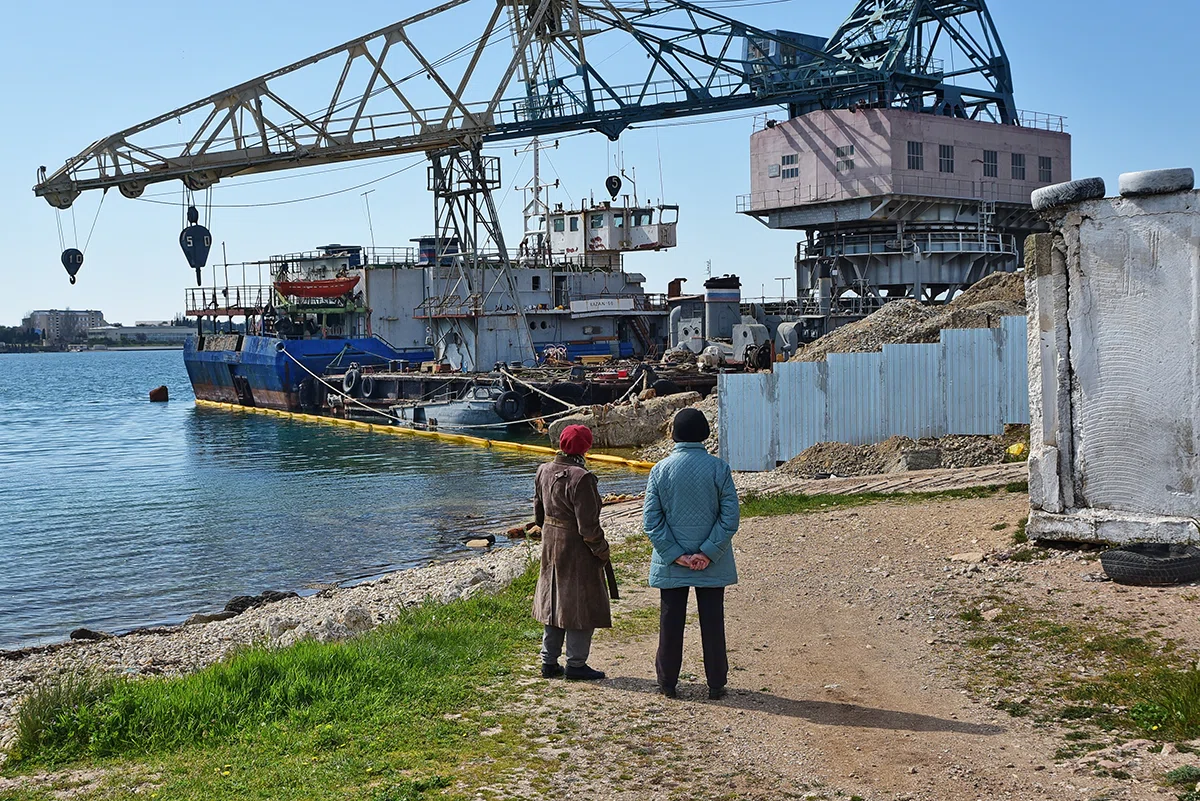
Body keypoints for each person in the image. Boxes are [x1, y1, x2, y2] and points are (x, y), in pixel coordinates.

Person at [642, 407, 739, 700]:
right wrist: (708, 553)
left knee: (670, 620)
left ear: (674, 435)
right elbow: (730, 517)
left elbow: (651, 521)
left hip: (673, 561)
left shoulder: (659, 470)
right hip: (713, 559)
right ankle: (716, 683)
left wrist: (677, 555)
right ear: (705, 435)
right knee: (713, 621)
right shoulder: (719, 468)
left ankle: (668, 682)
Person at [532, 424, 612, 681]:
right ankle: (576, 664)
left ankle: (548, 661)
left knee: (553, 600)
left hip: (550, 543)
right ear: (586, 448)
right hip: (576, 546)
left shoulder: (543, 470)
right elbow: (588, 526)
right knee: (580, 604)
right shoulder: (582, 478)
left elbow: (538, 513)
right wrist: (601, 550)